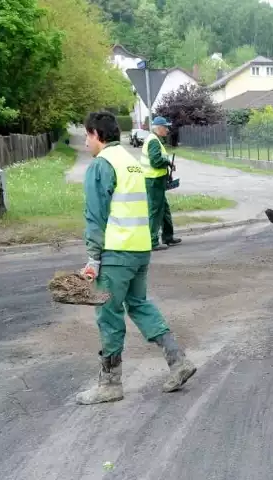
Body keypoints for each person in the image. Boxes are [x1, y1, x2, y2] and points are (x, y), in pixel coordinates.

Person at [78, 111, 196, 405]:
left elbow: (96, 215)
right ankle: (178, 360)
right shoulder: (129, 163)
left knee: (108, 312)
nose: (85, 141)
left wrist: (93, 258)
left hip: (116, 251)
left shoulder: (101, 165)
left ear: (96, 134)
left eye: (86, 135)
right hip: (140, 248)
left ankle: (110, 384)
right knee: (139, 304)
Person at [141, 116, 181, 251]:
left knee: (164, 210)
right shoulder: (153, 141)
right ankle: (152, 241)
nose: (167, 130)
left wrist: (168, 164)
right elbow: (156, 161)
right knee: (156, 211)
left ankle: (168, 236)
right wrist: (167, 162)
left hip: (156, 180)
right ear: (159, 128)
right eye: (165, 127)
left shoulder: (155, 139)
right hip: (153, 181)